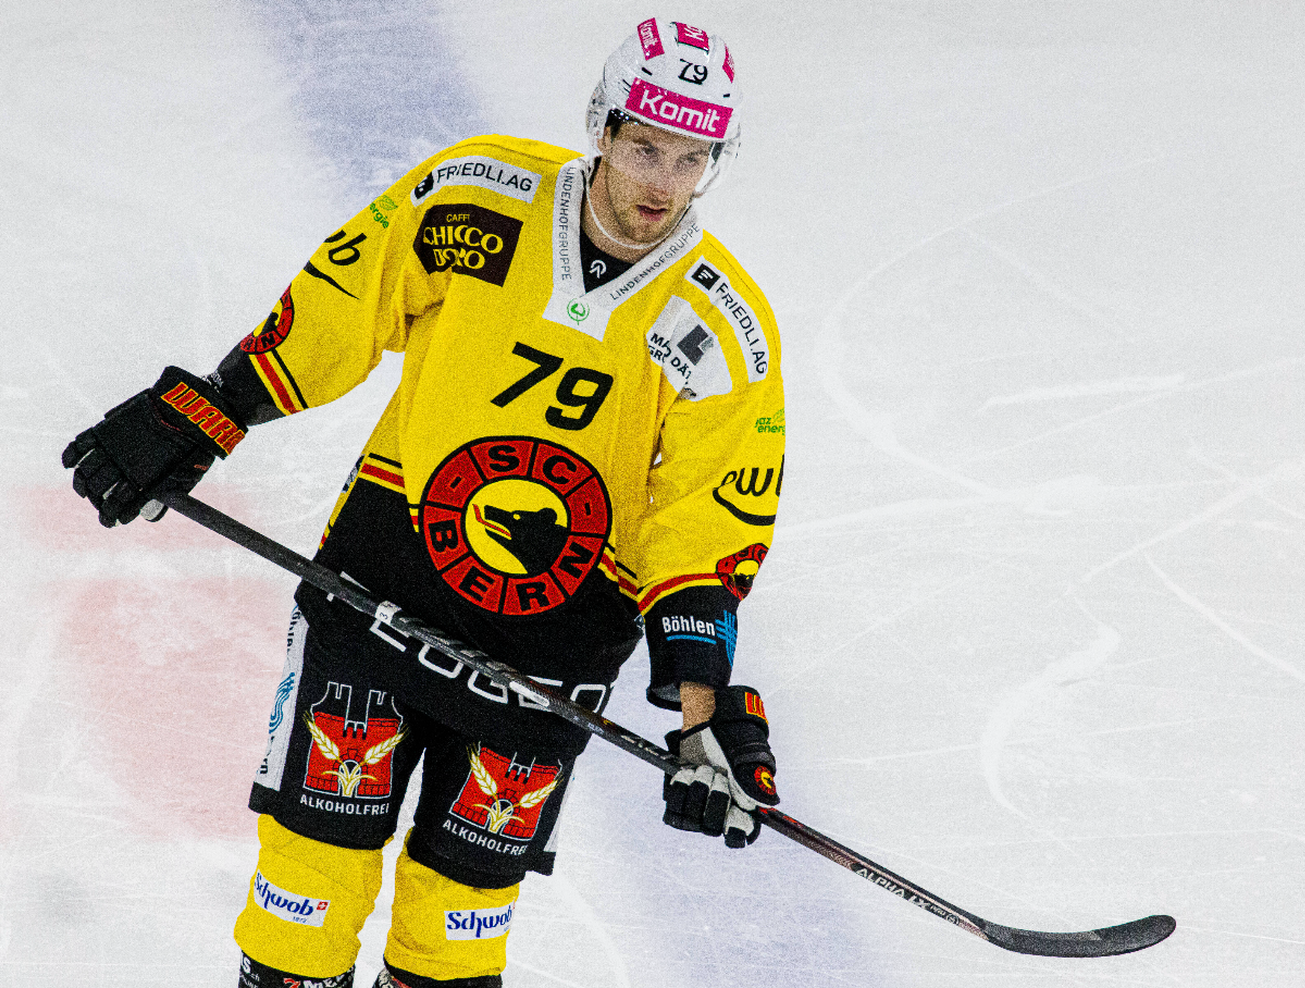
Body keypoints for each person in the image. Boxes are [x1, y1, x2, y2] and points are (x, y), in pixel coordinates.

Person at [62, 17, 785, 988]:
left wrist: (704, 713)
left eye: (690, 158)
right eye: (646, 145)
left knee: (454, 938)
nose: (661, 182)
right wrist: (210, 410)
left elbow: (703, 524)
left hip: (547, 654)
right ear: (603, 128)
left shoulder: (721, 328)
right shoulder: (479, 196)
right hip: (382, 591)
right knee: (304, 893)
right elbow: (341, 306)